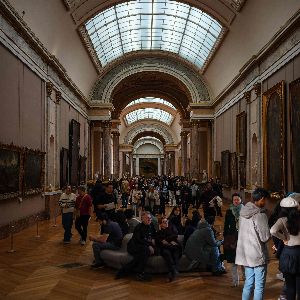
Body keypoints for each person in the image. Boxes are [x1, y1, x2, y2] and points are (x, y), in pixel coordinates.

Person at [235, 187, 271, 300]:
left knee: (248, 283)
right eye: (265, 200)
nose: (266, 203)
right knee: (259, 286)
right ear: (261, 199)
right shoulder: (260, 215)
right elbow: (265, 237)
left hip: (245, 253)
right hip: (257, 254)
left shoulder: (243, 212)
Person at [270, 196, 300, 300]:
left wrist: (284, 238)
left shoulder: (282, 220)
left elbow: (272, 231)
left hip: (287, 254)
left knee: (290, 287)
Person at [115, 211, 156, 281]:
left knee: (141, 255)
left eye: (150, 218)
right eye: (147, 218)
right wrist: (149, 245)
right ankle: (139, 273)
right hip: (133, 247)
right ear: (142, 219)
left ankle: (124, 271)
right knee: (145, 251)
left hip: (142, 246)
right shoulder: (138, 227)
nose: (149, 220)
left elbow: (154, 236)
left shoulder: (151, 225)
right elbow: (138, 240)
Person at [223, 193, 244, 287]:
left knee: (243, 259)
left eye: (238, 199)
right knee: (234, 260)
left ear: (240, 200)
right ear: (232, 201)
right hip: (232, 237)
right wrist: (225, 236)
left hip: (243, 237)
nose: (236, 201)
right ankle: (235, 281)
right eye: (234, 199)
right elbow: (226, 224)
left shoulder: (244, 211)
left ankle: (246, 277)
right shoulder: (229, 211)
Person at [156, 217, 182, 282]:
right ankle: (173, 271)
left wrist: (166, 240)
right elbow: (159, 241)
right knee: (166, 253)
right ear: (160, 224)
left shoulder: (171, 228)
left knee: (175, 252)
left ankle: (172, 272)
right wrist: (169, 241)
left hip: (174, 247)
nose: (166, 223)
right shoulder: (159, 232)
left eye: (167, 221)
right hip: (165, 248)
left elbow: (175, 235)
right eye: (164, 222)